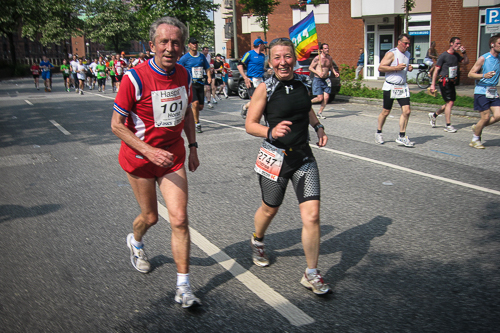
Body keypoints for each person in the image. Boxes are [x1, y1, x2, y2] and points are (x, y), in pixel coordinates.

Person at [111, 16, 201, 308]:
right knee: (150, 217)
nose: (170, 48)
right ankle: (136, 243)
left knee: (179, 219)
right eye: (164, 41)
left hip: (173, 157)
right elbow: (116, 125)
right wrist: (148, 151)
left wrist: (194, 146)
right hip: (139, 159)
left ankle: (184, 287)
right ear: (152, 45)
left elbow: (186, 113)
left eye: (176, 42)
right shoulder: (133, 78)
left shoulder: (184, 75)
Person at [245, 37, 330, 295]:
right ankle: (257, 240)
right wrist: (270, 131)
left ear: (294, 58)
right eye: (277, 58)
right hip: (275, 159)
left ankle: (311, 273)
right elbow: (250, 124)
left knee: (312, 216)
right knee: (270, 209)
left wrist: (318, 127)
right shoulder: (265, 88)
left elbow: (305, 110)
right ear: (271, 61)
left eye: (287, 56)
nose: (283, 62)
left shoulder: (303, 82)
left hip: (303, 157)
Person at [375, 34, 415, 147]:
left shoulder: (407, 54)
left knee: (407, 111)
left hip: (402, 87)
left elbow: (404, 67)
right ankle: (378, 132)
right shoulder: (391, 53)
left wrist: (409, 67)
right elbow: (381, 67)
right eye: (405, 43)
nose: (407, 46)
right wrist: (395, 68)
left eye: (408, 44)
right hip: (390, 86)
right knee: (386, 112)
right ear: (399, 42)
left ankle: (402, 136)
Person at [428, 37, 470, 133]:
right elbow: (436, 70)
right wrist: (433, 84)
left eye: (459, 44)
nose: (458, 45)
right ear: (451, 43)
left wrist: (464, 53)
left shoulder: (456, 55)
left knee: (450, 103)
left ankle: (434, 115)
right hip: (444, 81)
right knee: (450, 103)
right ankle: (448, 125)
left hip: (452, 81)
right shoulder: (443, 56)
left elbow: (466, 62)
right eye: (457, 43)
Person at [467, 34, 500, 149]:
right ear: (492, 44)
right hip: (481, 91)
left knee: (498, 115)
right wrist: (483, 75)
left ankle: (477, 127)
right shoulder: (484, 58)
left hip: (493, 90)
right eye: (499, 43)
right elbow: (470, 74)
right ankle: (475, 139)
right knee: (485, 117)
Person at [178, 37, 212, 133]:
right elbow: (179, 68)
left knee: (200, 107)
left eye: (196, 43)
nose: (195, 45)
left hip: (200, 83)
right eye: (193, 43)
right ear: (189, 45)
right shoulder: (185, 58)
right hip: (190, 84)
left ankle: (191, 117)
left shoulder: (201, 57)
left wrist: (209, 77)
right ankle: (197, 123)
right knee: (195, 103)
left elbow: (207, 68)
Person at [309, 43, 339, 119]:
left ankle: (320, 112)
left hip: (326, 79)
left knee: (326, 97)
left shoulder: (329, 58)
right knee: (320, 98)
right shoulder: (317, 58)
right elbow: (310, 68)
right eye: (325, 48)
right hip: (318, 79)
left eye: (327, 48)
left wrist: (335, 72)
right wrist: (318, 73)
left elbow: (331, 66)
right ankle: (306, 103)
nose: (327, 49)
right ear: (321, 50)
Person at [238, 38, 267, 119]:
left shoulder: (262, 56)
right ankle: (245, 107)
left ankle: (265, 118)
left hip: (261, 80)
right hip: (251, 80)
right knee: (255, 100)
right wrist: (245, 77)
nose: (264, 46)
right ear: (260, 45)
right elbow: (239, 65)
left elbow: (260, 67)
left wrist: (267, 70)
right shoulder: (249, 54)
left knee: (263, 99)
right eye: (263, 44)